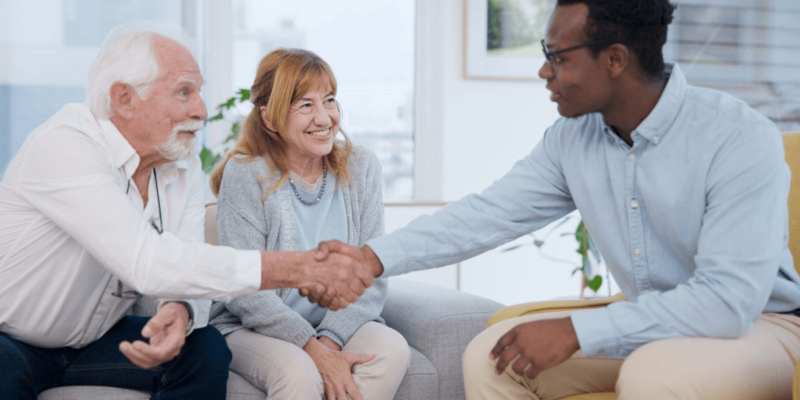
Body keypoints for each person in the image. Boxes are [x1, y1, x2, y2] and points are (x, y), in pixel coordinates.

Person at [314, 0, 800, 398]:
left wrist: (576, 331)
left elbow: (727, 302)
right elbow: (487, 214)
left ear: (614, 59)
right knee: (493, 361)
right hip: (650, 325)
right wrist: (371, 258)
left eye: (559, 56)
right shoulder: (573, 139)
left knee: (657, 373)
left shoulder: (737, 138)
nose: (544, 71)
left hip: (762, 328)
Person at [0, 22, 374, 399]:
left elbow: (189, 262)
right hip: (11, 340)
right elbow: (144, 261)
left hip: (97, 341)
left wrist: (179, 311)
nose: (201, 110)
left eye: (199, 92)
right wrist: (297, 267)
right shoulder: (65, 146)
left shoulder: (180, 163)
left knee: (203, 347)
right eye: (183, 92)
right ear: (124, 99)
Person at [207, 48, 410, 400]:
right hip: (253, 327)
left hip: (334, 324)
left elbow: (372, 272)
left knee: (391, 351)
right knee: (299, 372)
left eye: (329, 100)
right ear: (269, 118)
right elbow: (244, 288)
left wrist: (329, 341)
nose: (325, 118)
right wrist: (310, 347)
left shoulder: (362, 167)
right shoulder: (246, 173)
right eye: (305, 105)